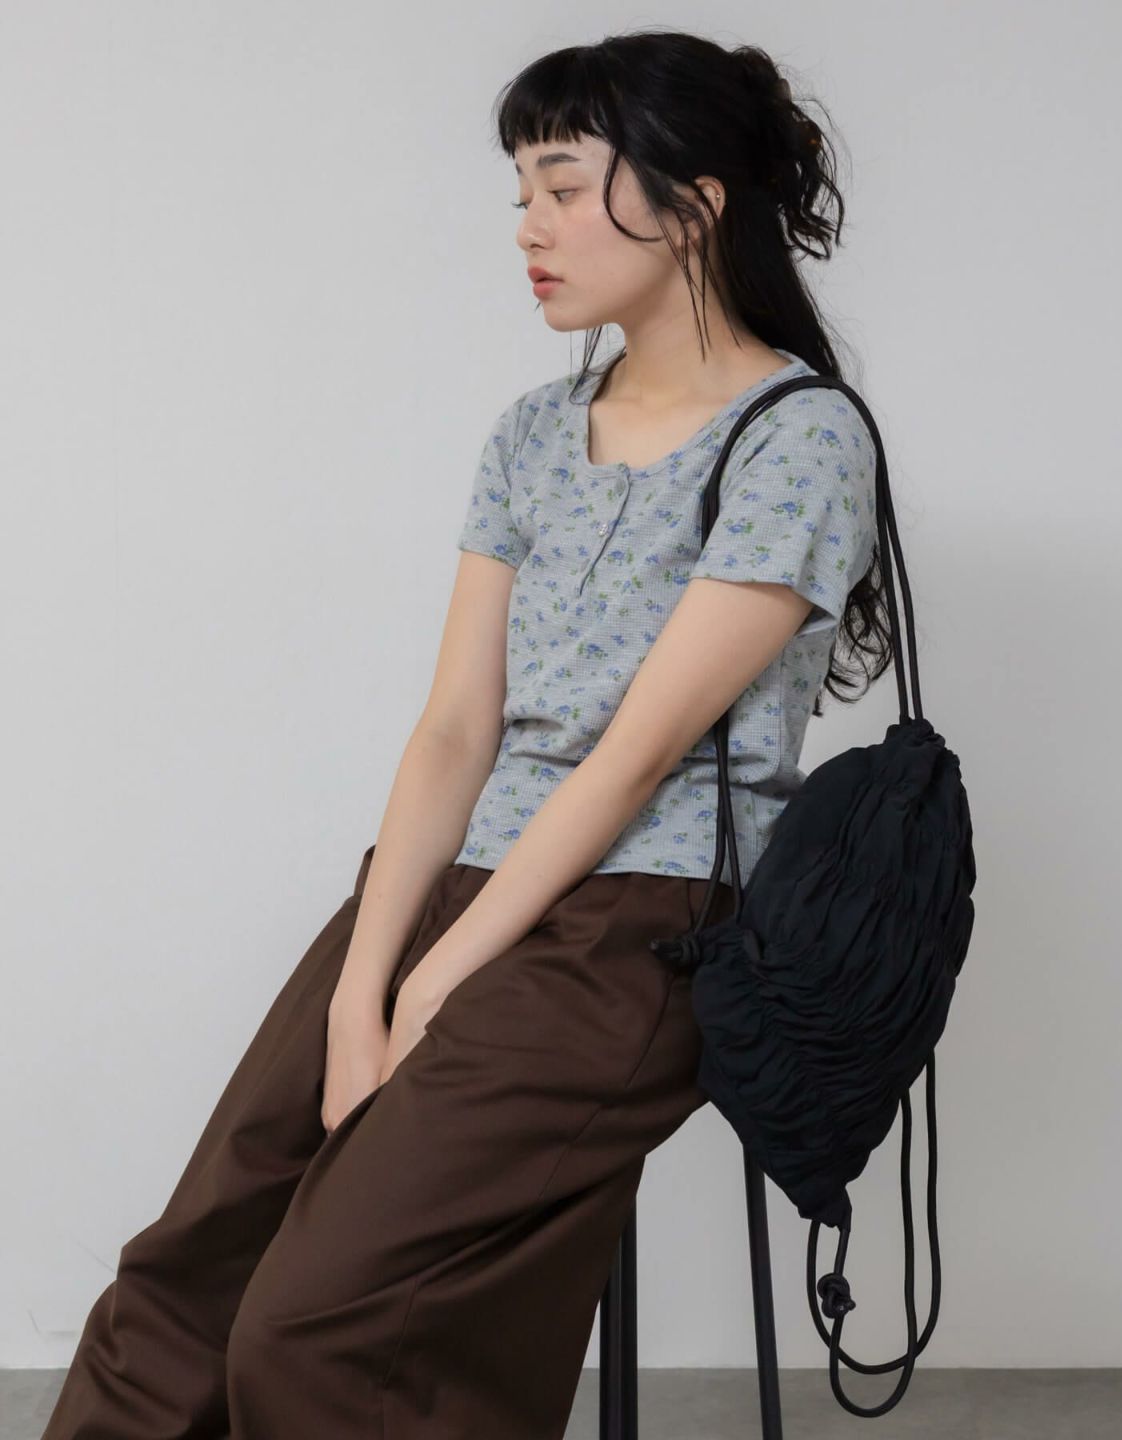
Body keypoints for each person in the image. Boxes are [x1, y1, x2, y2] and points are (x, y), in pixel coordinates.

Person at [42, 28, 895, 1440]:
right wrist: (366, 984)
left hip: (640, 921)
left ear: (693, 206)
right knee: (184, 1283)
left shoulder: (798, 440)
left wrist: (437, 985)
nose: (528, 230)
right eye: (521, 195)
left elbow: (634, 758)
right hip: (448, 888)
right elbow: (453, 730)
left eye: (561, 188)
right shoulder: (530, 434)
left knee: (321, 1319)